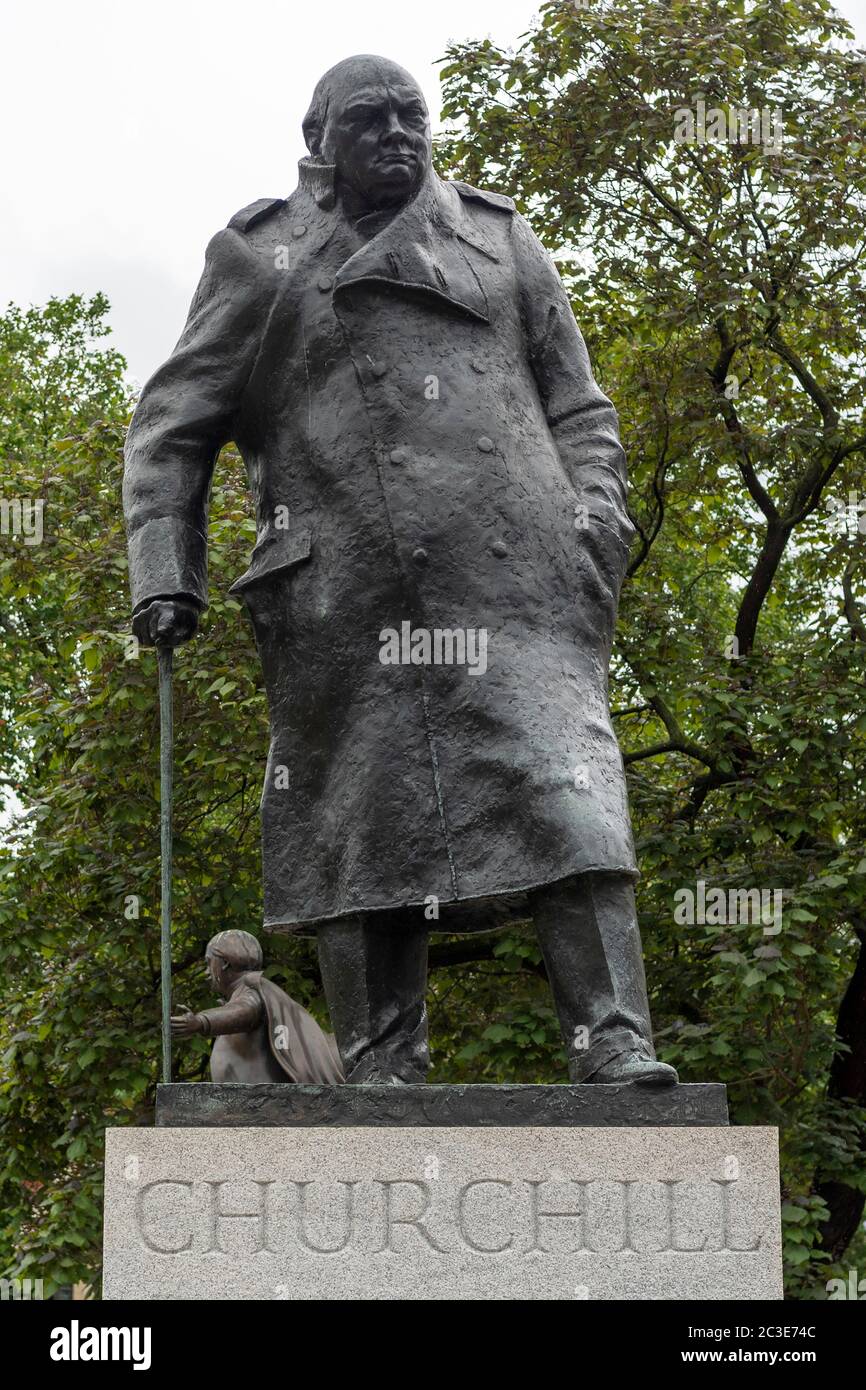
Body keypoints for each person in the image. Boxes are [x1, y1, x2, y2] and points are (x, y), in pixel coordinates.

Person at [125, 55, 677, 1088]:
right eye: (369, 119)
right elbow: (169, 429)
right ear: (319, 136)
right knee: (359, 820)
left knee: (569, 796)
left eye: (410, 117)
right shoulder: (261, 258)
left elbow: (579, 408)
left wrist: (590, 523)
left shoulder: (499, 239)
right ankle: (382, 1067)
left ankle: (611, 1042)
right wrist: (166, 571)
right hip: (341, 593)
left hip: (516, 581)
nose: (396, 134)